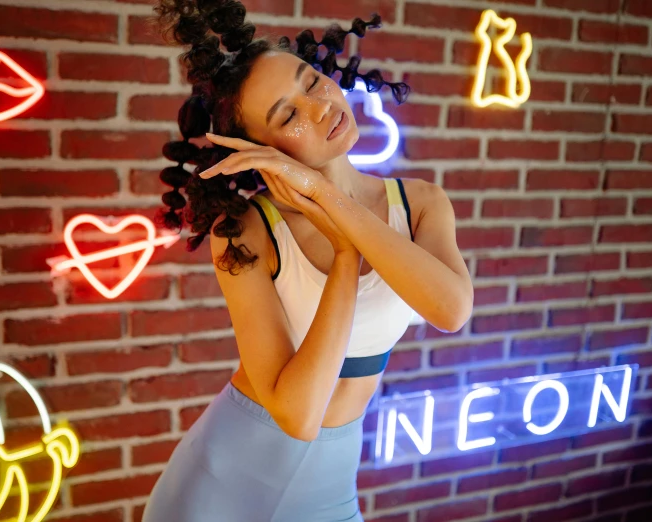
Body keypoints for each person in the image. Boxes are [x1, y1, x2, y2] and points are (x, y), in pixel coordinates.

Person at [142, 1, 474, 520]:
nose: (320, 106)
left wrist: (327, 198)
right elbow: (296, 415)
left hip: (331, 486)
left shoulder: (422, 205)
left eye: (311, 81)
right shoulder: (245, 232)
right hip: (220, 486)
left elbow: (450, 310)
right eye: (288, 115)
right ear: (261, 150)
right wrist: (344, 252)